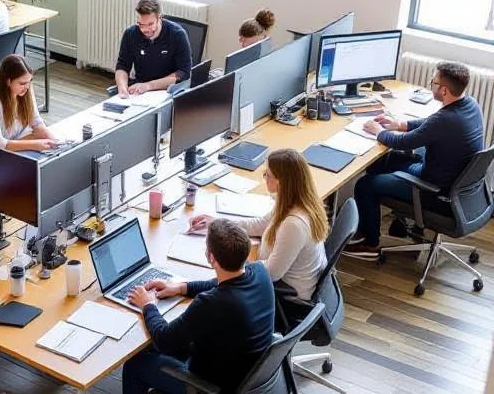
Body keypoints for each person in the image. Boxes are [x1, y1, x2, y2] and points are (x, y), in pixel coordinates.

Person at [346, 61, 484, 257]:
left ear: (444, 90)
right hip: (455, 184)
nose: (431, 85)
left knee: (364, 185)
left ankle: (370, 244)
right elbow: (430, 123)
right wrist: (399, 124)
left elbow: (402, 142)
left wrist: (378, 131)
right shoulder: (470, 104)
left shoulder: (445, 120)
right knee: (381, 162)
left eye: (433, 82)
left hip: (434, 191)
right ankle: (395, 220)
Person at [122, 219, 275, 394]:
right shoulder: (259, 272)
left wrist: (148, 305)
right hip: (242, 370)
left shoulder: (211, 303)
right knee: (156, 346)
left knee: (135, 364)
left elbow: (163, 339)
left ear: (211, 257)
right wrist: (180, 288)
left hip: (212, 386)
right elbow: (216, 283)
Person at [190, 149, 328, 301]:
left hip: (289, 296)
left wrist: (236, 262)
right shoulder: (296, 202)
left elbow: (272, 273)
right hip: (287, 281)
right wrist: (217, 223)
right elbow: (258, 225)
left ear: (281, 182)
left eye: (267, 175)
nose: (265, 178)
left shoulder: (294, 224)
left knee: (218, 290)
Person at [0, 54, 57, 151]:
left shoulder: (26, 88)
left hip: (10, 142)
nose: (27, 87)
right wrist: (34, 145)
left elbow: (37, 123)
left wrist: (56, 143)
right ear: (8, 81)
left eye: (29, 81)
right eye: (22, 83)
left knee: (43, 141)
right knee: (35, 143)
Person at [114, 0, 192, 98]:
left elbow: (183, 73)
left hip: (168, 91)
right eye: (141, 24)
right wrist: (122, 89)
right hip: (140, 91)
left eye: (150, 24)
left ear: (159, 18)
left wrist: (149, 86)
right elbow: (122, 66)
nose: (145, 29)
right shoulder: (131, 34)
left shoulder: (177, 34)